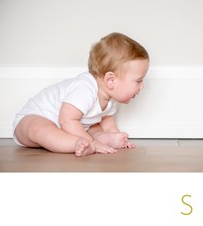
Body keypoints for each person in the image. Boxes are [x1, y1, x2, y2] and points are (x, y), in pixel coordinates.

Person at [12, 32, 150, 157]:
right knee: (39, 129)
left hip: (67, 129)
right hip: (34, 119)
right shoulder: (85, 88)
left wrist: (116, 136)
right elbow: (67, 120)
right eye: (138, 80)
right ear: (111, 80)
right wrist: (91, 142)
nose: (142, 86)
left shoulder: (109, 98)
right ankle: (84, 143)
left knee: (95, 126)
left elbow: (107, 119)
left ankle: (98, 139)